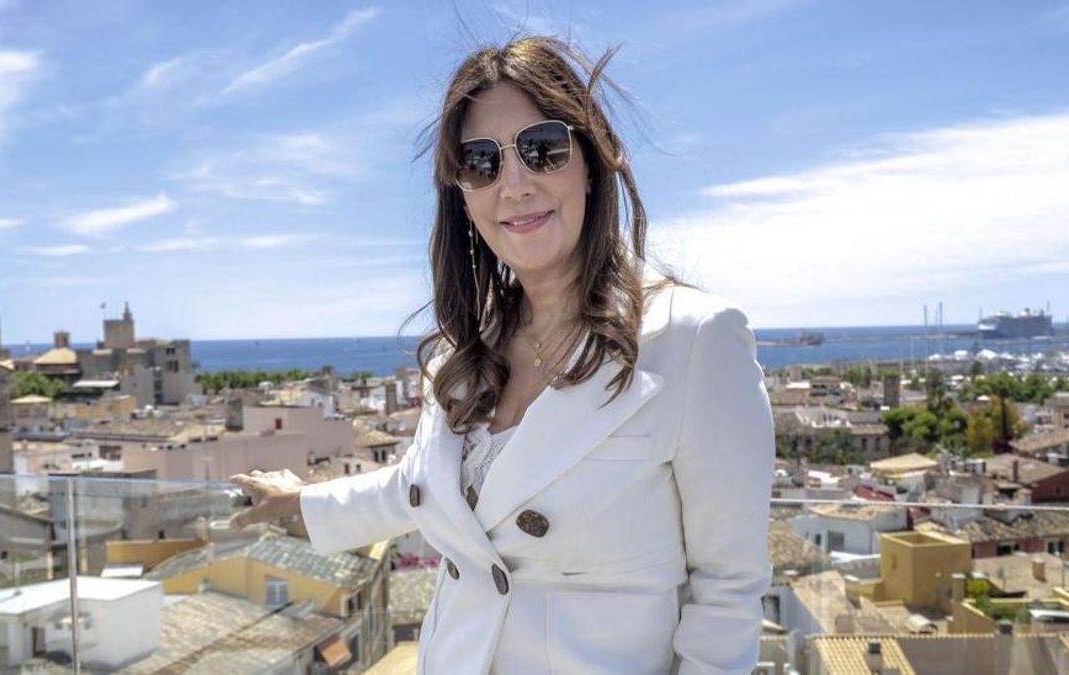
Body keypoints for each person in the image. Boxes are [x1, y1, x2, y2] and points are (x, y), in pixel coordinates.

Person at [229, 35, 775, 675]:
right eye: (480, 162)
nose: (513, 184)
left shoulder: (693, 339)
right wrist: (302, 504)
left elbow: (728, 589)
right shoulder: (468, 352)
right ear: (461, 193)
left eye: (542, 149)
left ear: (592, 160)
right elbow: (422, 491)